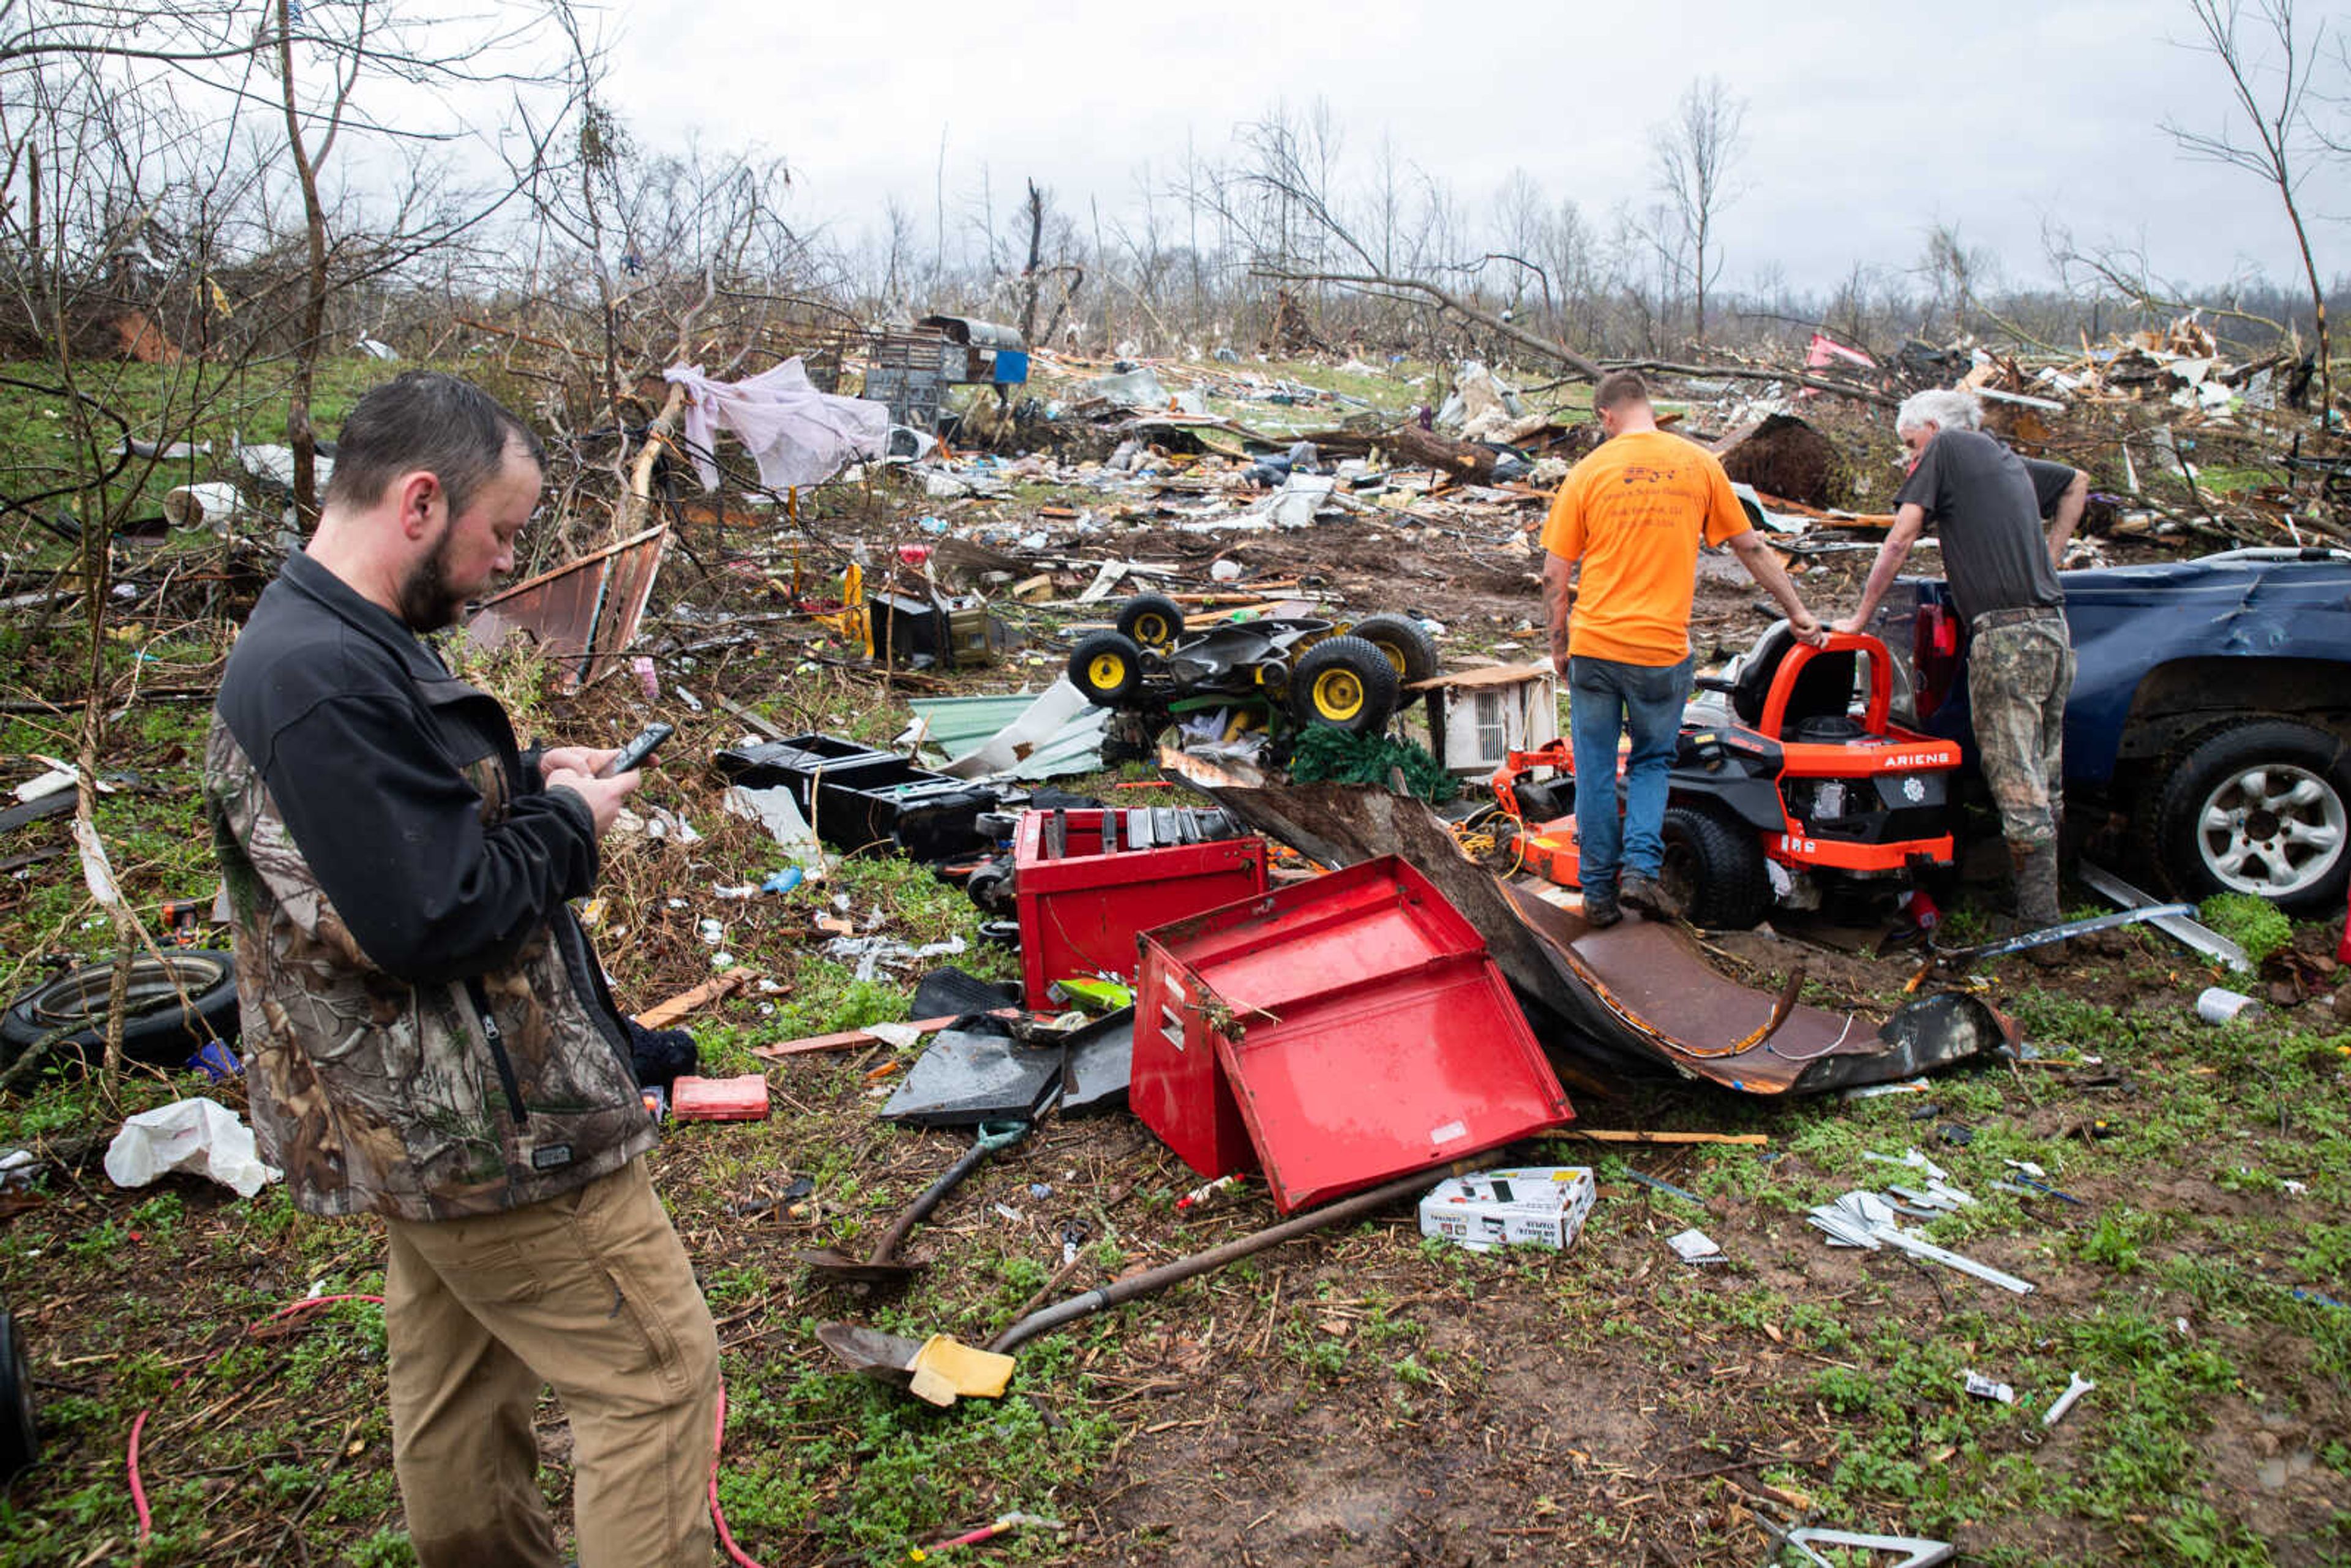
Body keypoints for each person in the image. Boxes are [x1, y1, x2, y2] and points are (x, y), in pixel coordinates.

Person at [203, 372, 719, 1567]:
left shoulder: (326, 641)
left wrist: (525, 779)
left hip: (415, 1124)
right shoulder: (316, 677)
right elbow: (434, 913)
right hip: (489, 1125)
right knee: (655, 1374)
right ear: (423, 501)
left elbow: (388, 833)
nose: (502, 565)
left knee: (459, 1391)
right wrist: (572, 825)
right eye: (502, 532)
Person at [1543, 370, 1827, 926]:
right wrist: (1798, 611)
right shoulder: (1699, 465)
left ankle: (1599, 895)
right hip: (1661, 653)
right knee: (1652, 763)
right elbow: (1750, 547)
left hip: (1596, 647)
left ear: (1606, 417)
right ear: (1648, 407)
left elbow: (1555, 574)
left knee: (1597, 769)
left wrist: (1560, 644)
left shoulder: (1588, 472)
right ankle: (1642, 874)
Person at [1832, 386, 2089, 962]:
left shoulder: (1947, 448)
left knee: (2016, 782)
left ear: (1931, 426)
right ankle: (2043, 906)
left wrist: (1859, 617)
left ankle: (2043, 935)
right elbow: (2076, 481)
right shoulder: (2003, 461)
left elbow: (1901, 537)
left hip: (2005, 639)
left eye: (1909, 445)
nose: (1910, 460)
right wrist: (2051, 556)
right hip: (2053, 629)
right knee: (2047, 780)